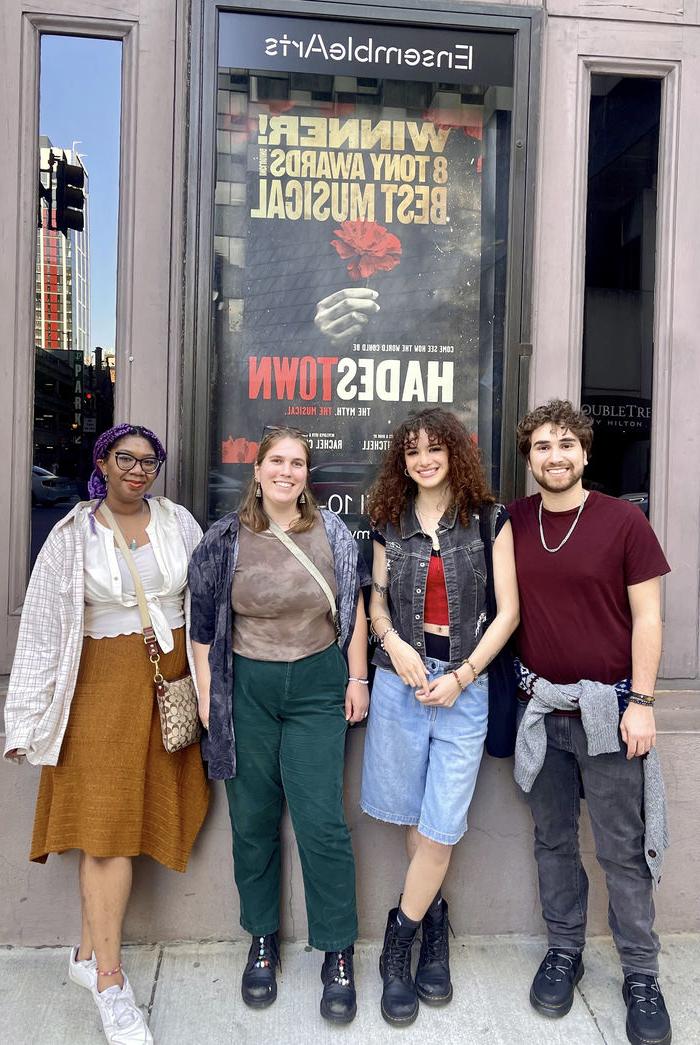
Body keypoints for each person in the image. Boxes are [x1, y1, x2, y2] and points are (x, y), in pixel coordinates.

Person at [4, 424, 209, 1045]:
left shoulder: (180, 523)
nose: (139, 470)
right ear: (103, 462)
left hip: (168, 684)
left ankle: (88, 957)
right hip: (97, 688)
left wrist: (209, 688)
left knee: (124, 822)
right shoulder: (73, 534)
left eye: (150, 461)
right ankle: (113, 984)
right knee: (105, 829)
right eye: (127, 458)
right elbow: (42, 628)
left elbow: (205, 603)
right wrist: (25, 717)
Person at [187, 425, 369, 1024]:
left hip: (318, 685)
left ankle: (337, 948)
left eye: (297, 463)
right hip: (249, 690)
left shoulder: (332, 532)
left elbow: (355, 608)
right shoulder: (223, 539)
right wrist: (215, 708)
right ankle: (261, 937)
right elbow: (203, 629)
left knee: (322, 823)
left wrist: (356, 677)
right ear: (258, 469)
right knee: (253, 820)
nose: (286, 472)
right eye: (276, 461)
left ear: (305, 473)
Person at [509, 399, 672, 1045]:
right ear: (530, 458)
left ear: (585, 453)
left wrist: (644, 703)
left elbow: (651, 617)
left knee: (621, 850)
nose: (554, 456)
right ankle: (564, 951)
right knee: (552, 839)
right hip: (541, 710)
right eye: (542, 446)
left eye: (565, 444)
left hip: (610, 710)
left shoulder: (623, 522)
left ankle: (640, 974)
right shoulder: (516, 520)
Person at [360, 407, 519, 1026]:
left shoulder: (488, 520)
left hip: (464, 685)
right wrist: (393, 646)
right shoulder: (387, 521)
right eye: (412, 452)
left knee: (442, 825)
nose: (423, 460)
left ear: (455, 453)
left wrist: (462, 676)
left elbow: (508, 612)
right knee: (413, 814)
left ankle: (400, 938)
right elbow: (375, 602)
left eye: (434, 449)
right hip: (402, 683)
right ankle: (435, 921)